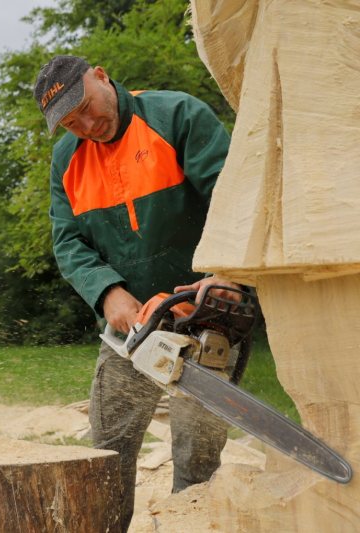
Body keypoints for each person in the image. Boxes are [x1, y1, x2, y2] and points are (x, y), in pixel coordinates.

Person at [34, 55, 240, 530]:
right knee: (108, 451)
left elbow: (233, 200)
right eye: (71, 122)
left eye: (86, 107)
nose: (87, 125)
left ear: (101, 76)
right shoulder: (67, 160)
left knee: (197, 456)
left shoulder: (176, 116)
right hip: (131, 327)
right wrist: (108, 293)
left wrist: (226, 273)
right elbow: (68, 242)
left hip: (204, 313)